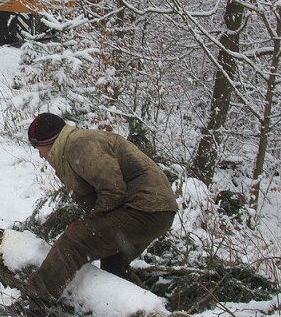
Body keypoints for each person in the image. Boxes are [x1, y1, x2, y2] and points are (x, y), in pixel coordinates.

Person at [22, 113, 178, 304]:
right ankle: (148, 312)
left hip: (144, 209)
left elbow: (113, 190)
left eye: (39, 148)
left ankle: (35, 301)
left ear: (50, 141)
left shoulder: (80, 144)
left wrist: (87, 224)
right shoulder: (73, 147)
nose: (40, 154)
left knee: (74, 242)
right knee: (114, 265)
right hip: (157, 210)